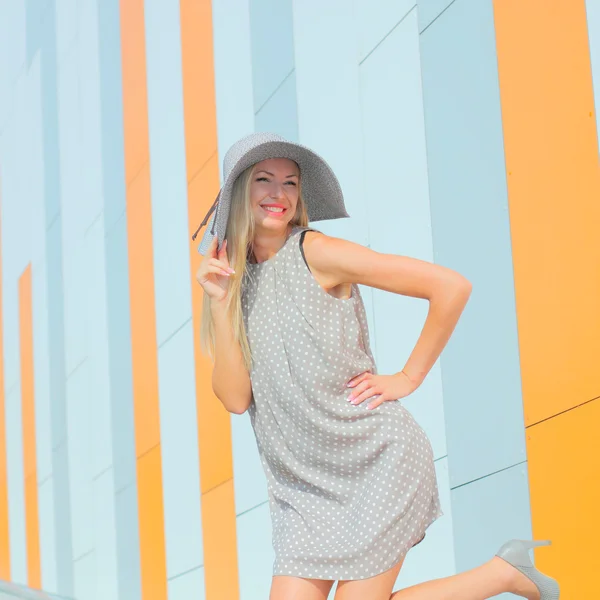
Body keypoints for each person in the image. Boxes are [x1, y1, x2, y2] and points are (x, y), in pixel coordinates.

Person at [193, 132, 559, 600]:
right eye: (264, 179)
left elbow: (450, 286)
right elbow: (235, 398)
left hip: (375, 459)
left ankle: (504, 575)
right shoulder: (233, 283)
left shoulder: (316, 252)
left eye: (290, 182)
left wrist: (408, 378)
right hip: (303, 489)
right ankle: (504, 573)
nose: (279, 193)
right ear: (238, 190)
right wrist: (222, 307)